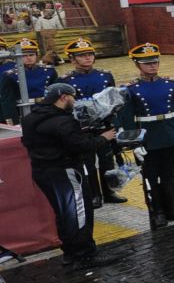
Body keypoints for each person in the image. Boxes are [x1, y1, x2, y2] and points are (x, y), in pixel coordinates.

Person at [23, 83, 122, 268]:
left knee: (63, 213)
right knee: (79, 213)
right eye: (72, 97)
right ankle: (85, 256)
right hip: (66, 171)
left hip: (42, 172)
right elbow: (79, 146)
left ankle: (70, 253)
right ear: (63, 98)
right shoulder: (64, 121)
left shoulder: (31, 118)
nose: (74, 101)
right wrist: (104, 138)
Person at [119, 43, 174, 226]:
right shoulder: (130, 88)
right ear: (137, 65)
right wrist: (134, 143)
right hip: (147, 136)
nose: (152, 66)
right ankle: (156, 211)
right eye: (147, 63)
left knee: (168, 173)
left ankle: (173, 209)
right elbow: (127, 118)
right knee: (150, 175)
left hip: (170, 133)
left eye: (155, 62)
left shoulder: (172, 84)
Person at [62, 38, 125, 204]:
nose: (87, 58)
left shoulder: (105, 75)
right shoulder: (66, 80)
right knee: (87, 162)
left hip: (104, 125)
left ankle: (110, 192)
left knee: (107, 160)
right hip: (82, 128)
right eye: (82, 56)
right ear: (72, 59)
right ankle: (93, 195)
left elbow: (113, 100)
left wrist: (116, 123)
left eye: (90, 54)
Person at [0, 38, 58, 125]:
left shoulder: (49, 71)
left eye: (31, 55)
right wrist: (13, 122)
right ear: (17, 57)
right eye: (24, 55)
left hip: (47, 110)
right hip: (24, 113)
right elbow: (8, 102)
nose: (28, 58)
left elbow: (56, 94)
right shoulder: (9, 75)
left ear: (36, 55)